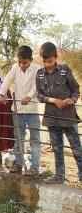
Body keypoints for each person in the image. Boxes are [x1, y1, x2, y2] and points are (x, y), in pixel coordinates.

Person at [36, 42, 81, 184]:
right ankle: (59, 177)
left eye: (50, 61)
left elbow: (75, 89)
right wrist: (54, 100)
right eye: (44, 61)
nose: (48, 64)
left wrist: (72, 99)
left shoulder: (65, 70)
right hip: (51, 118)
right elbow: (39, 96)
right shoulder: (40, 74)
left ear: (56, 57)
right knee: (57, 149)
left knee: (77, 149)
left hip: (68, 117)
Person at [0, 46, 41, 176]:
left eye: (25, 62)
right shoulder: (15, 68)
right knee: (18, 139)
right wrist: (1, 93)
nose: (22, 65)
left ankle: (34, 167)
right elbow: (7, 80)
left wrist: (29, 96)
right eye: (20, 62)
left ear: (31, 60)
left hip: (32, 110)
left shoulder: (37, 69)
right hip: (17, 110)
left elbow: (37, 86)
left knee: (35, 139)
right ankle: (18, 164)